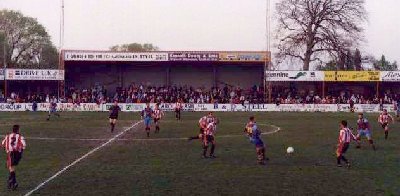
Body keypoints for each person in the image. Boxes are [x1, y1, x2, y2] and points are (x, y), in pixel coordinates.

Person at [1, 125, 26, 190]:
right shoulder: (20, 137)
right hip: (18, 154)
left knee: (11, 168)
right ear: (18, 130)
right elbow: (24, 145)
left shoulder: (8, 136)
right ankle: (11, 182)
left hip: (11, 153)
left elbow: (2, 144)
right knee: (12, 167)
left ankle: (13, 182)